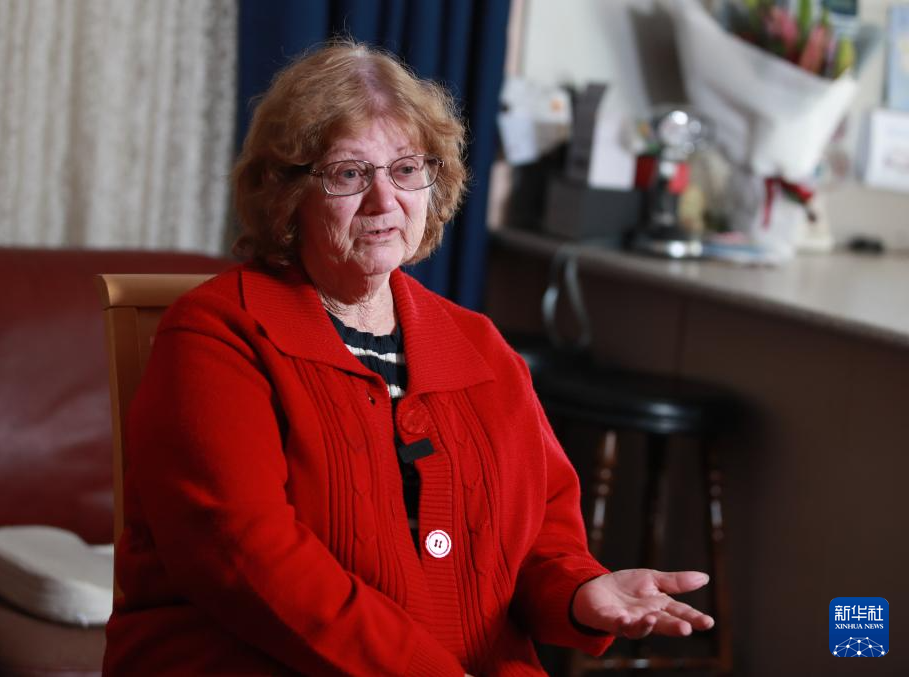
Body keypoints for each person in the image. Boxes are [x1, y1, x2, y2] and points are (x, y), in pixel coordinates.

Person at [103, 41, 714, 677]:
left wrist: (581, 593)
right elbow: (245, 557)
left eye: (405, 170)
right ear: (286, 192)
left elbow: (540, 534)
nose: (384, 201)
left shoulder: (479, 346)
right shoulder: (217, 333)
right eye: (348, 174)